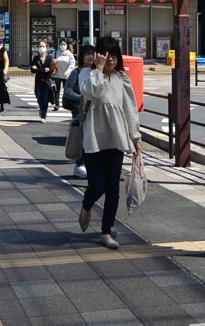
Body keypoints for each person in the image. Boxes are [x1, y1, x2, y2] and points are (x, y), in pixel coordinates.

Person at [77, 35, 141, 250]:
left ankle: (106, 231)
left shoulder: (122, 79)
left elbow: (129, 110)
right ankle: (86, 206)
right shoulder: (87, 74)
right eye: (105, 55)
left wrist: (135, 138)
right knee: (97, 184)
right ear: (97, 55)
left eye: (113, 55)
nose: (110, 59)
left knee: (113, 188)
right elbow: (92, 92)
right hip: (94, 137)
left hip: (116, 138)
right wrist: (98, 68)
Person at [63, 43, 94, 179]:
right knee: (82, 138)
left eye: (93, 54)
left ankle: (88, 165)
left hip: (93, 110)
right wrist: (81, 97)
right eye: (87, 54)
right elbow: (67, 91)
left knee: (91, 138)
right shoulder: (76, 72)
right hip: (79, 110)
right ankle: (79, 164)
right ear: (82, 56)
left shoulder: (96, 72)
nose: (91, 57)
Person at [30, 39, 54, 122]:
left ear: (46, 47)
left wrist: (39, 69)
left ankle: (44, 116)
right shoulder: (36, 58)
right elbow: (32, 70)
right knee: (39, 98)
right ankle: (41, 109)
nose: (41, 48)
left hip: (47, 82)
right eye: (40, 46)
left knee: (45, 99)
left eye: (43, 46)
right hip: (38, 82)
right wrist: (43, 70)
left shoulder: (50, 58)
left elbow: (50, 69)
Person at [52, 40, 75, 111]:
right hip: (57, 75)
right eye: (61, 44)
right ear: (59, 45)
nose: (63, 46)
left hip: (66, 75)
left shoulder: (69, 54)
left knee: (66, 90)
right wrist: (53, 61)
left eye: (64, 44)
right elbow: (51, 61)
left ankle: (65, 103)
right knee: (56, 91)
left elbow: (72, 64)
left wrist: (68, 71)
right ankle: (57, 104)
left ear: (67, 45)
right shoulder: (55, 53)